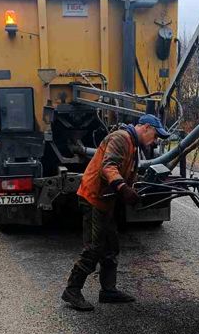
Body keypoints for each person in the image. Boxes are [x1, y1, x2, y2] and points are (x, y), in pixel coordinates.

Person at [61, 114, 170, 311]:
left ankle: (108, 290)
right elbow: (108, 167)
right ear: (146, 127)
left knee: (111, 245)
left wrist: (138, 188)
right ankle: (72, 290)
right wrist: (123, 188)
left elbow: (127, 172)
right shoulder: (121, 138)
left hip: (105, 200)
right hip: (94, 198)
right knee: (95, 247)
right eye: (155, 136)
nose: (155, 141)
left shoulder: (133, 144)